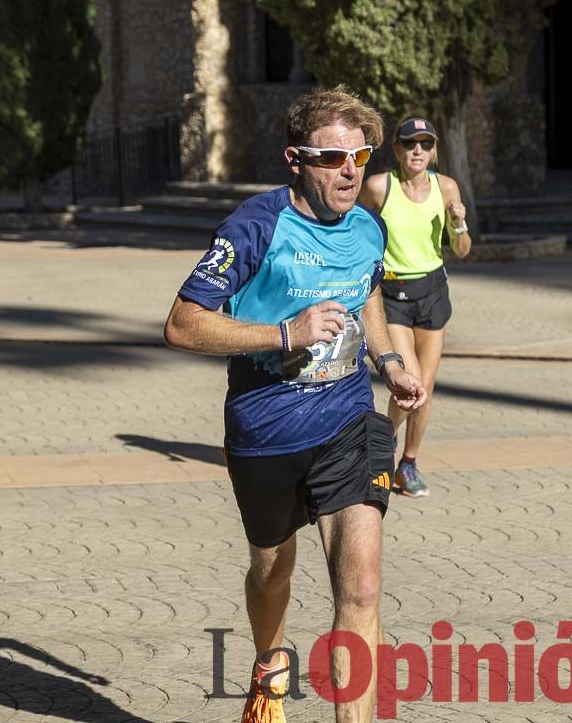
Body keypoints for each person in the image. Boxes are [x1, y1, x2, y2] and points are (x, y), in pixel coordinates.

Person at [164, 86, 427, 723]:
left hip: (347, 421)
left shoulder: (367, 227)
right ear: (296, 159)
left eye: (360, 156)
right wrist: (287, 332)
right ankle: (268, 660)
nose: (350, 170)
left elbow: (367, 294)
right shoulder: (253, 227)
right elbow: (183, 324)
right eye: (334, 158)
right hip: (265, 428)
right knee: (270, 572)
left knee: (361, 587)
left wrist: (388, 362)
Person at [358, 116, 471, 499]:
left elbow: (462, 250)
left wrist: (458, 225)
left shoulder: (447, 187)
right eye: (410, 144)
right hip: (393, 296)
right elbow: (352, 226)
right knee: (412, 381)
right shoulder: (378, 187)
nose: (417, 151)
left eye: (425, 144)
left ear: (434, 150)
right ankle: (382, 449)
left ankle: (407, 463)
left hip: (433, 291)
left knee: (427, 387)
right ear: (397, 150)